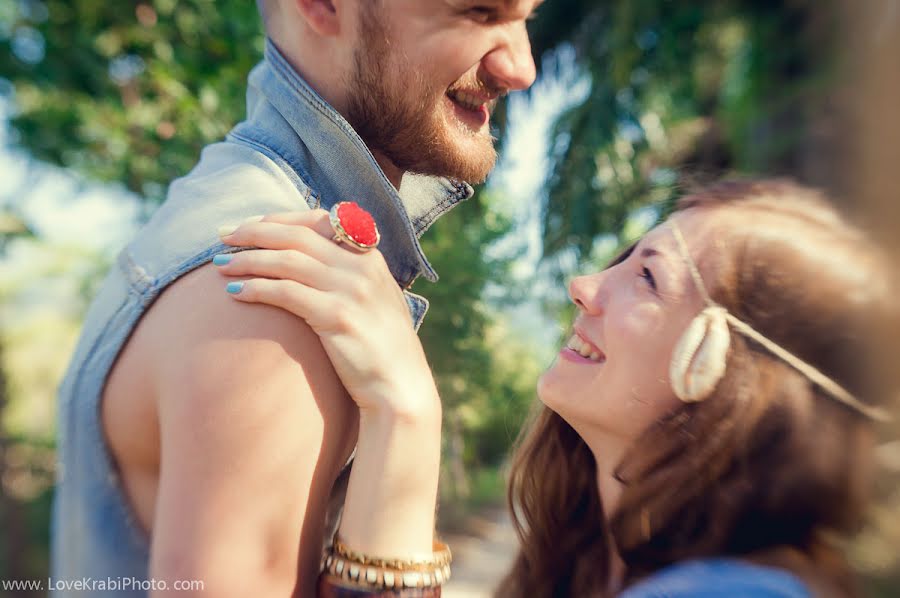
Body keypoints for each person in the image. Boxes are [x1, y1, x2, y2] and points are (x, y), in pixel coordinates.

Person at [51, 1, 540, 595]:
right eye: (479, 12)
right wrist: (409, 416)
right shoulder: (273, 300)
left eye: (527, 18)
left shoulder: (213, 207)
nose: (522, 67)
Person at [212, 179, 897, 597]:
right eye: (622, 260)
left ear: (721, 366)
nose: (586, 287)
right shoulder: (595, 565)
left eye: (650, 277)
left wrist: (406, 411)